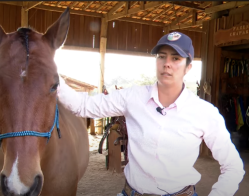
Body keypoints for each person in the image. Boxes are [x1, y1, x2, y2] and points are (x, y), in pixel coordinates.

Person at [57, 32, 245, 196]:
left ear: (188, 67)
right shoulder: (133, 97)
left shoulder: (204, 112)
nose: (167, 64)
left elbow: (233, 166)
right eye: (162, 57)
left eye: (176, 59)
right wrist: (50, 72)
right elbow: (82, 106)